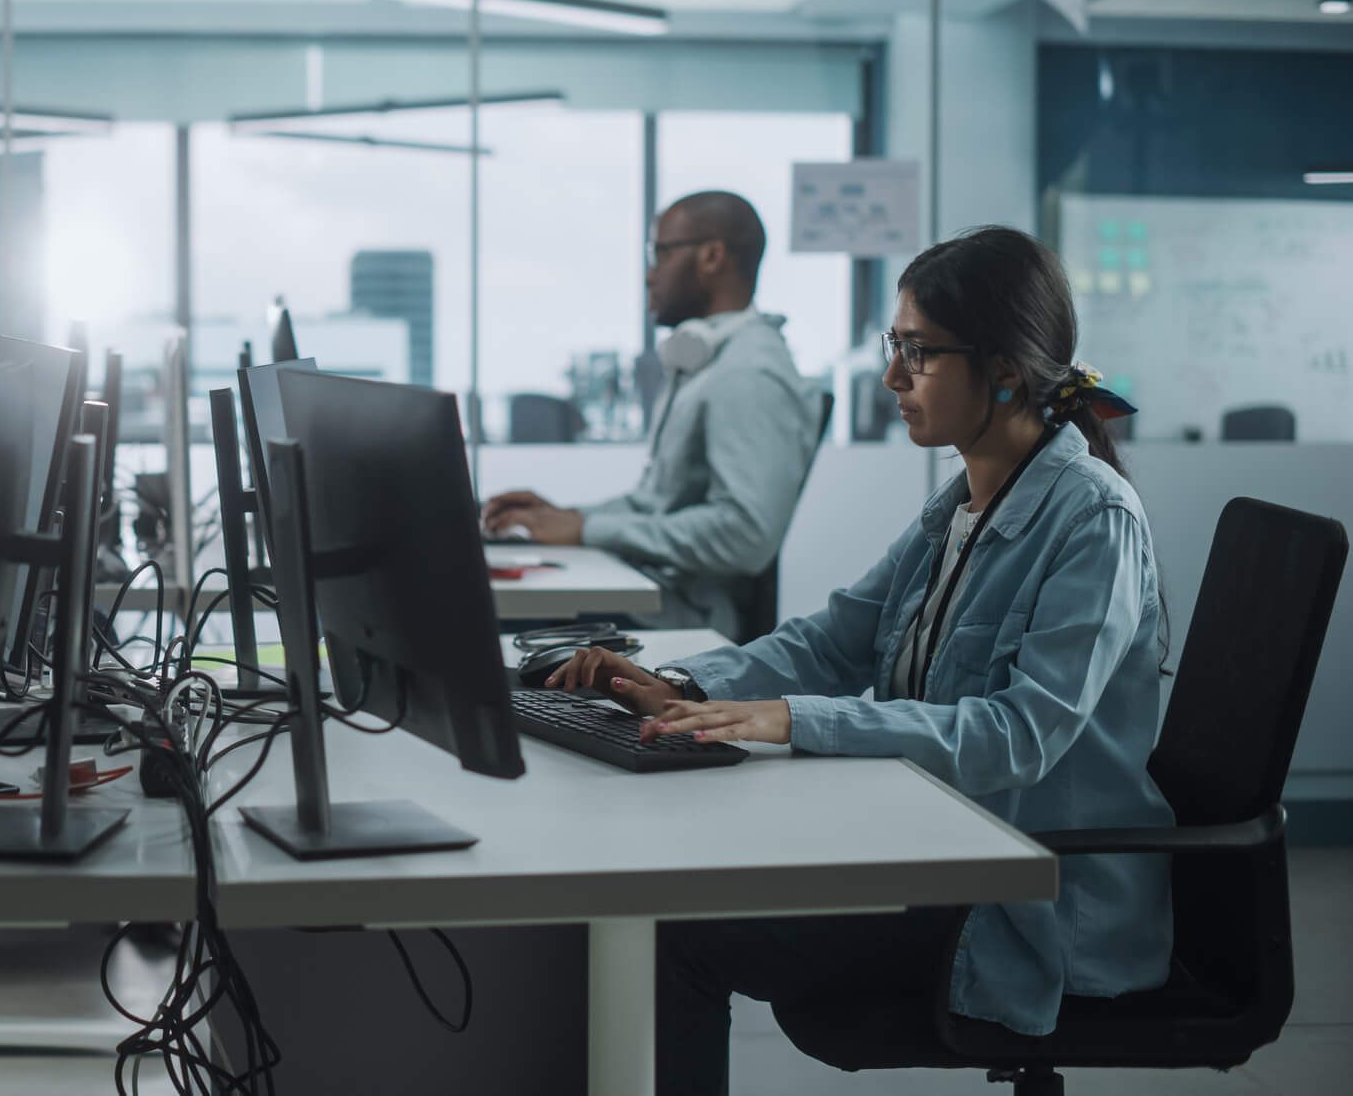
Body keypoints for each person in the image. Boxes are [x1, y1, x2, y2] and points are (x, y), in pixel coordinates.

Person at [545, 227, 1170, 1095]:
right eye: (894, 347)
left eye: (918, 353)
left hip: (1022, 907)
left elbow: (1020, 736)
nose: (890, 378)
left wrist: (793, 719)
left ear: (1003, 367)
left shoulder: (1092, 519)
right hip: (938, 847)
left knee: (673, 932)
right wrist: (690, 686)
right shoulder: (965, 500)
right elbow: (839, 636)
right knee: (679, 874)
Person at [482, 190, 820, 638]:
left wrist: (587, 530)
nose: (649, 274)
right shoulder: (709, 364)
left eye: (661, 252)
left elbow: (745, 536)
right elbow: (653, 505)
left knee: (464, 616)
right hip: (651, 594)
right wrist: (565, 517)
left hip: (679, 618)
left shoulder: (747, 375)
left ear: (712, 256)